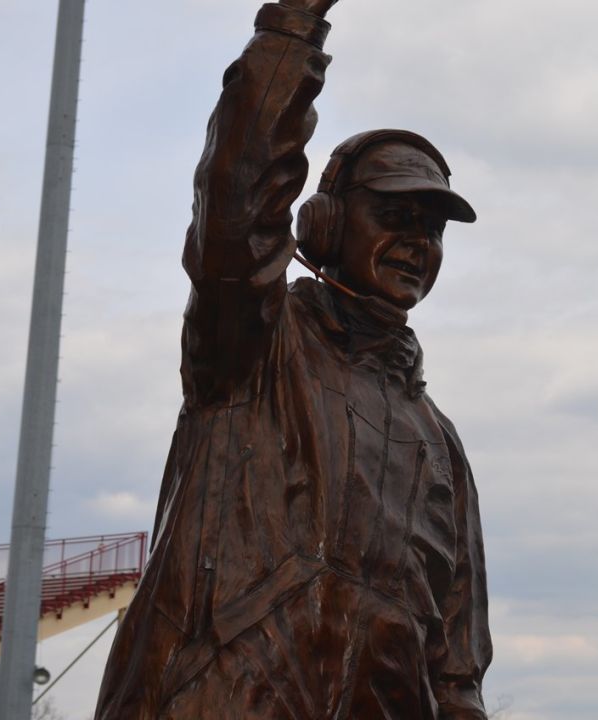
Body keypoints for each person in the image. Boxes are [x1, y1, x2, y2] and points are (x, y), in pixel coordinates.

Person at [93, 1, 492, 718]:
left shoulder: (442, 447)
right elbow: (237, 203)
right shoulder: (254, 344)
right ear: (328, 224)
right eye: (394, 217)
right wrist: (292, 28)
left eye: (430, 230)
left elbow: (456, 674)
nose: (415, 242)